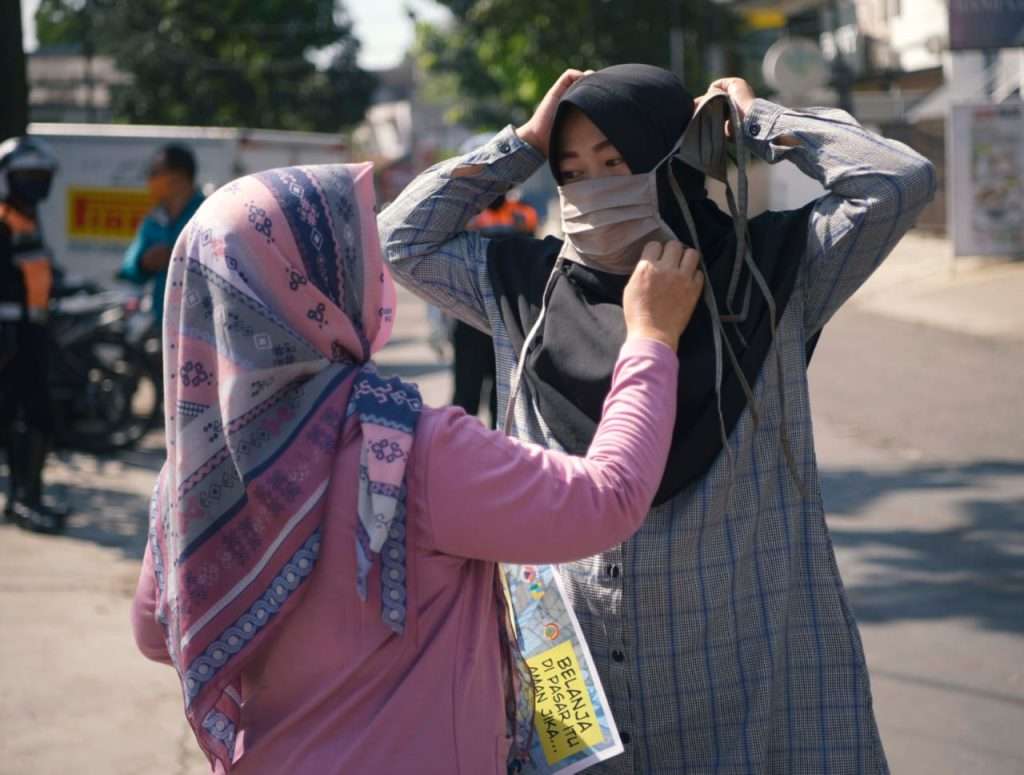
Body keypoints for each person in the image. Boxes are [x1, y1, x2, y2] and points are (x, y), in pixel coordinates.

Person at [379, 65, 936, 774]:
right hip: (570, 678)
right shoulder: (525, 287)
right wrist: (524, 140)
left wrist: (753, 120)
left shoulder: (765, 271)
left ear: (673, 156)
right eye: (573, 170)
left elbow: (899, 181)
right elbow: (401, 239)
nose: (593, 188)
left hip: (750, 682)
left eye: (616, 162)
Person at [130, 162, 705, 773]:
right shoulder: (408, 449)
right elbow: (608, 499)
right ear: (323, 282)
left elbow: (157, 630)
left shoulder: (196, 470)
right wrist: (651, 338)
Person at [0, 136, 67, 533]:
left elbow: (38, 274)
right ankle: (22, 499)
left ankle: (29, 496)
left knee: (39, 417)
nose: (36, 183)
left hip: (33, 333)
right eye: (27, 176)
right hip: (9, 338)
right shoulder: (3, 220)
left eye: (41, 176)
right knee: (18, 418)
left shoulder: (28, 220)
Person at [453, 192, 540, 426]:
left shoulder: (523, 212)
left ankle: (497, 448)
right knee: (466, 393)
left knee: (503, 394)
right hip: (470, 315)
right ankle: (457, 450)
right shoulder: (466, 215)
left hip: (508, 316)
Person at [118, 143, 205, 323]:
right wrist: (143, 263)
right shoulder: (154, 219)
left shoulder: (208, 214)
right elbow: (129, 268)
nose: (150, 180)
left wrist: (182, 259)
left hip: (201, 325)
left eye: (155, 173)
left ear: (179, 176)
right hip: (162, 323)